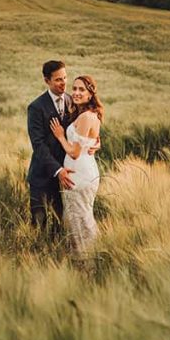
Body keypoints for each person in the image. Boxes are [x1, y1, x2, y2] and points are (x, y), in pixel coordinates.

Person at [50, 75, 103, 257]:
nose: (76, 93)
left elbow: (74, 152)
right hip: (80, 170)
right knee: (76, 216)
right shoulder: (84, 114)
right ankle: (82, 256)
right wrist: (97, 144)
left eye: (82, 90)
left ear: (90, 94)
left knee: (80, 216)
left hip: (80, 173)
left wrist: (60, 136)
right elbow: (94, 140)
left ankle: (89, 256)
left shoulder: (87, 116)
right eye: (75, 89)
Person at [26, 60, 73, 231]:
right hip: (42, 176)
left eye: (65, 78)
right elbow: (38, 145)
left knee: (62, 225)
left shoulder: (72, 101)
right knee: (40, 225)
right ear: (47, 80)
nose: (64, 83)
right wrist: (57, 170)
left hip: (68, 176)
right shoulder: (36, 107)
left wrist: (94, 143)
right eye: (58, 79)